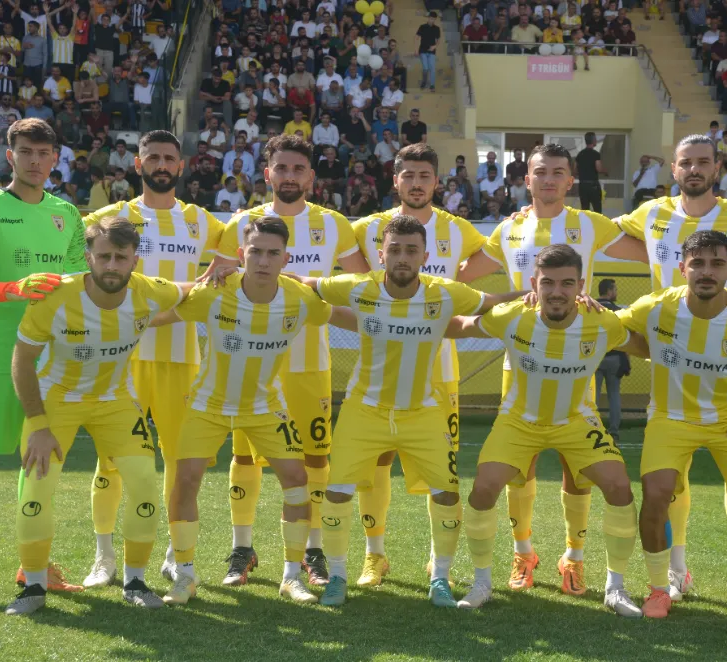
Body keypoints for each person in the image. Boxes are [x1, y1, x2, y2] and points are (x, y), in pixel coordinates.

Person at [288, 215, 524, 607]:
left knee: (447, 494)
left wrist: (535, 292)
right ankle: (339, 576)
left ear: (425, 256)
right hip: (364, 410)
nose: (402, 257)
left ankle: (440, 578)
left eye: (411, 250)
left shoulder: (444, 292)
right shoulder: (359, 286)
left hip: (422, 412)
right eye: (394, 249)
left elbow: (491, 302)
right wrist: (245, 273)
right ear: (381, 255)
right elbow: (307, 284)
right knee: (337, 492)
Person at [615, 134, 727, 605]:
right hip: (668, 353)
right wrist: (533, 213)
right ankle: (675, 570)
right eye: (686, 162)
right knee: (667, 482)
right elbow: (594, 231)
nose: (694, 169)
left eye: (703, 162)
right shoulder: (650, 214)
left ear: (717, 168)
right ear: (673, 169)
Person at [456, 143, 648, 594]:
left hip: (577, 361)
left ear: (570, 180)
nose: (548, 179)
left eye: (558, 172)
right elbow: (461, 275)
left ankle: (573, 557)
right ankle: (523, 554)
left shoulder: (591, 224)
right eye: (540, 172)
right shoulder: (510, 228)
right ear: (526, 179)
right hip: (521, 361)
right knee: (516, 470)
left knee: (577, 471)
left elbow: (655, 253)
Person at [160, 218, 359, 606]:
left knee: (298, 482)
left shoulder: (300, 297)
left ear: (286, 258)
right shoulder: (215, 291)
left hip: (265, 407)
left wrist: (394, 324)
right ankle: (184, 575)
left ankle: (291, 577)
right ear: (241, 254)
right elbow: (162, 312)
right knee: (185, 481)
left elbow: (345, 317)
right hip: (208, 406)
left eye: (272, 253)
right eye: (255, 252)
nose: (263, 261)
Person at [205, 135, 371, 588]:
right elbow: (213, 283)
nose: (290, 176)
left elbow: (362, 286)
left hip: (309, 363)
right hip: (250, 364)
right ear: (267, 174)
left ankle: (312, 551)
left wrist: (306, 284)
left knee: (315, 458)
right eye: (282, 168)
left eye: (299, 168)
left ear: (311, 176)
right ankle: (242, 549)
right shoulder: (242, 223)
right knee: (245, 456)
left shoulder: (333, 224)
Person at [6, 217, 189, 615]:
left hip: (115, 400)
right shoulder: (55, 296)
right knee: (36, 490)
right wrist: (39, 424)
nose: (111, 265)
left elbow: (194, 293)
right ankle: (33, 586)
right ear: (88, 257)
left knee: (144, 482)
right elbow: (22, 360)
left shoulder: (149, 291)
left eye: (121, 257)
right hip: (57, 400)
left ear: (135, 260)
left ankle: (135, 581)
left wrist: (222, 276)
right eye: (103, 256)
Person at [0, 118, 87, 608]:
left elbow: (78, 285)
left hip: (49, 359)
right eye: (26, 151)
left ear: (55, 158)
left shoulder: (66, 213)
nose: (35, 161)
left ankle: (34, 566)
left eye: (44, 153)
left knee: (39, 467)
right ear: (10, 156)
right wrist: (13, 289)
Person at [81, 130, 229, 589]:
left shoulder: (203, 222)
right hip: (120, 360)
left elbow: (228, 265)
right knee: (111, 461)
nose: (161, 165)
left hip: (182, 358)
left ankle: (174, 555)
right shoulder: (110, 218)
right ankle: (104, 556)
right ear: (138, 164)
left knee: (181, 461)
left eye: (169, 158)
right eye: (153, 157)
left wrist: (220, 273)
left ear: (181, 166)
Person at [349, 144, 488, 587]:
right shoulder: (367, 228)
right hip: (380, 364)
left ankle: (436, 560)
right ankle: (374, 555)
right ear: (395, 180)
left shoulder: (458, 229)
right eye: (407, 175)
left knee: (440, 467)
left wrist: (456, 283)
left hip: (438, 368)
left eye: (424, 175)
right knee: (377, 461)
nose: (416, 183)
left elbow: (497, 255)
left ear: (436, 181)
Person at [595, 279, 630, 440]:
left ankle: (593, 428)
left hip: (595, 357)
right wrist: (627, 360)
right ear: (609, 291)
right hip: (615, 358)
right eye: (614, 289)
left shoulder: (591, 309)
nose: (616, 292)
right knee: (614, 395)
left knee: (593, 397)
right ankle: (614, 431)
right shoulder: (618, 311)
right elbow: (627, 338)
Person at [576, 132, 606, 212]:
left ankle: (585, 220)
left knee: (585, 209)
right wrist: (605, 171)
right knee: (597, 209)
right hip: (593, 185)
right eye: (595, 139)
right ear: (593, 141)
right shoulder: (595, 154)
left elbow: (574, 170)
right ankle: (597, 221)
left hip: (582, 185)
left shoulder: (580, 154)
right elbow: (599, 168)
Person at [415, 11, 441, 92]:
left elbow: (438, 41)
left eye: (433, 19)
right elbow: (416, 38)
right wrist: (416, 49)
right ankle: (424, 81)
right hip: (422, 50)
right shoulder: (422, 27)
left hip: (432, 51)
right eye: (431, 18)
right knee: (425, 68)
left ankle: (432, 85)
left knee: (432, 68)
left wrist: (434, 46)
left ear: (435, 19)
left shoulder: (437, 28)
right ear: (428, 18)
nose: (432, 20)